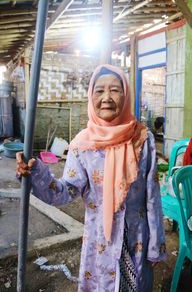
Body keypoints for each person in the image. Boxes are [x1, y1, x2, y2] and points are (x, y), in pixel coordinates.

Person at [16, 64, 166, 292]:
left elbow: (153, 196)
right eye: (99, 91)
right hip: (100, 242)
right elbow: (66, 191)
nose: (107, 98)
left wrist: (155, 245)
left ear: (126, 94)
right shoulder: (81, 145)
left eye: (115, 90)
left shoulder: (142, 139)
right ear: (91, 95)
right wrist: (35, 172)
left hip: (136, 238)